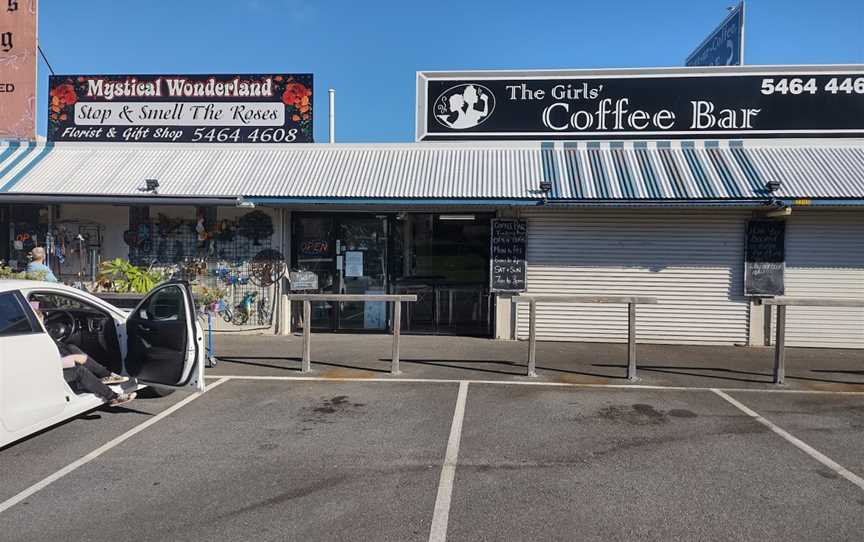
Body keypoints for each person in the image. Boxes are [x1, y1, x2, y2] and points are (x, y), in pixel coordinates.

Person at [32, 305, 136, 406]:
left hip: (50, 366)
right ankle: (113, 397)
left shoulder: (36, 333)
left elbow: (57, 351)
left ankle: (106, 374)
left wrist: (73, 357)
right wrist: (72, 359)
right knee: (79, 370)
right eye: (41, 323)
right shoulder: (35, 338)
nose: (44, 326)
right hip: (44, 374)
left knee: (71, 347)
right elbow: (48, 362)